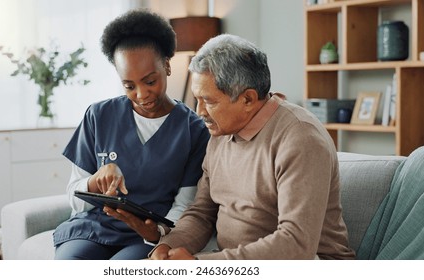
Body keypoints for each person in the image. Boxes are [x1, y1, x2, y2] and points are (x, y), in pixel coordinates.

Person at [150, 34, 356, 260]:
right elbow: (202, 213)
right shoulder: (220, 133)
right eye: (197, 99)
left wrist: (200, 264)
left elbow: (296, 245)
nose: (200, 112)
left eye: (209, 101)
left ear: (248, 99)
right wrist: (166, 246)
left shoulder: (300, 138)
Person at [52, 9, 210, 260]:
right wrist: (96, 181)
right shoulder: (98, 116)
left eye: (150, 81)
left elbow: (185, 206)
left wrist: (157, 231)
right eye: (129, 85)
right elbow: (75, 197)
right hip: (91, 229)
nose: (141, 94)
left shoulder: (194, 130)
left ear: (167, 66)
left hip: (143, 236)